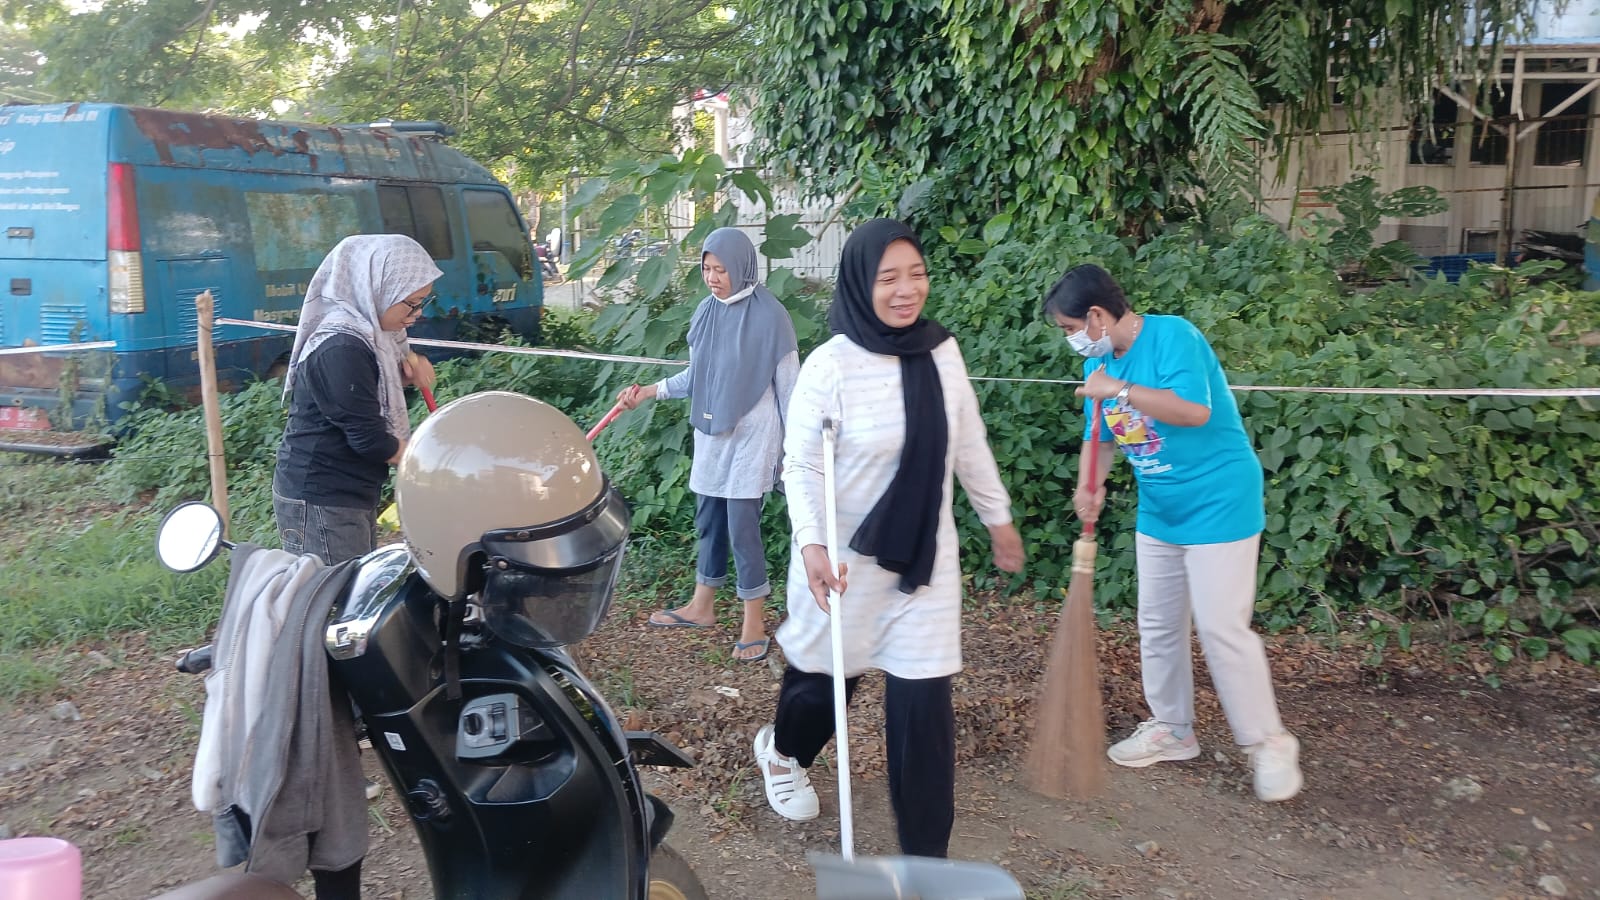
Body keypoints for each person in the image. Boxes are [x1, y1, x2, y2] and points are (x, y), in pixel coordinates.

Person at [752, 218, 1023, 858]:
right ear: (859, 282)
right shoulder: (832, 364)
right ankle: (784, 752)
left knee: (923, 710)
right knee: (823, 687)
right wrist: (813, 545)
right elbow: (803, 463)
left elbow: (967, 441)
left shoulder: (941, 352)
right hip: (842, 562)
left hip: (924, 561)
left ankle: (926, 862)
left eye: (917, 274)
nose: (907, 290)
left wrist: (998, 519)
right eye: (889, 278)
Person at [1043, 262, 1302, 803]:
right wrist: (1090, 485)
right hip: (1162, 510)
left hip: (1219, 502)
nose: (1071, 340)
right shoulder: (1104, 369)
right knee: (1157, 623)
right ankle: (1173, 729)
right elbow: (1102, 436)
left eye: (1070, 328)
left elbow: (1193, 411)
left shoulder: (1173, 336)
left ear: (1096, 315)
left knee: (1220, 626)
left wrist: (1121, 387)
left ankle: (1269, 743)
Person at [615, 228, 799, 662]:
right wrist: (648, 392)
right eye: (706, 268)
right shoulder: (705, 311)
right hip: (712, 434)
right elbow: (695, 378)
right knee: (710, 521)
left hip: (754, 438)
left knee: (741, 528)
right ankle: (702, 606)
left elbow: (792, 391)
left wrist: (795, 454)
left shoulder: (772, 317)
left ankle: (753, 620)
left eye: (721, 269)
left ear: (741, 267)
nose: (712, 277)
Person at [273, 234, 438, 568]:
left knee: (351, 591)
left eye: (423, 302)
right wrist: (438, 464)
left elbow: (365, 395)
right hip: (322, 495)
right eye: (410, 303)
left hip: (350, 489)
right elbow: (371, 440)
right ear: (378, 288)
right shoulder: (341, 346)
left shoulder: (376, 336)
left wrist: (403, 375)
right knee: (333, 600)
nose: (417, 314)